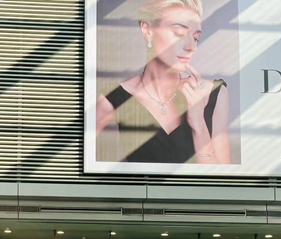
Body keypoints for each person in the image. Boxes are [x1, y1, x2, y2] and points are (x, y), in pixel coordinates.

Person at [96, 0, 230, 165]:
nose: (191, 46)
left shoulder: (214, 94)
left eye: (196, 38)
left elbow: (222, 178)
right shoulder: (114, 99)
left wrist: (198, 124)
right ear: (147, 30)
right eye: (179, 33)